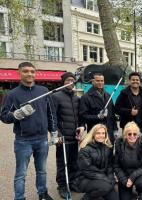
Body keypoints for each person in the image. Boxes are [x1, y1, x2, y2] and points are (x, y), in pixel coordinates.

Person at [0, 62, 57, 200]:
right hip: (23, 140)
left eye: (32, 71)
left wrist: (54, 132)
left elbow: (51, 112)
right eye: (26, 71)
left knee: (42, 171)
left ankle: (42, 194)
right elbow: (4, 116)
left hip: (42, 139)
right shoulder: (12, 94)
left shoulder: (43, 91)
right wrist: (16, 114)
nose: (30, 74)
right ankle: (19, 197)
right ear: (19, 73)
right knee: (21, 173)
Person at [52, 72, 85, 198]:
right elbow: (52, 118)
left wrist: (81, 128)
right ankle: (62, 185)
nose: (71, 82)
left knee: (73, 162)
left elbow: (80, 117)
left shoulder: (77, 98)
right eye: (68, 80)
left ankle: (72, 182)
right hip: (62, 138)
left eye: (72, 80)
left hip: (74, 137)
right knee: (62, 163)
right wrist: (57, 134)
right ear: (63, 82)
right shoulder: (56, 97)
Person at [77, 124, 119, 200]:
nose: (101, 135)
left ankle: (99, 192)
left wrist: (111, 178)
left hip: (102, 178)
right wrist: (105, 179)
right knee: (106, 187)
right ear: (93, 134)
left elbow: (109, 166)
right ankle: (86, 198)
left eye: (103, 133)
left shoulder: (107, 147)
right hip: (85, 179)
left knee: (115, 198)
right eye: (98, 133)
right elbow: (88, 170)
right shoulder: (85, 149)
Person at [114, 121, 142, 200]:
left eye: (135, 134)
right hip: (125, 174)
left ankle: (139, 191)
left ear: (138, 135)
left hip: (139, 173)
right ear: (125, 135)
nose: (132, 136)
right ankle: (128, 188)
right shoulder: (119, 145)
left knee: (140, 184)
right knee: (124, 198)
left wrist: (132, 177)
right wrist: (124, 180)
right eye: (129, 134)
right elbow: (116, 165)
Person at [79, 73, 118, 144]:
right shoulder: (86, 97)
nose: (100, 83)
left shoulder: (108, 96)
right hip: (95, 134)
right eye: (98, 81)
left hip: (109, 134)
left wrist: (115, 129)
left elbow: (112, 115)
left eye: (102, 81)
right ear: (92, 82)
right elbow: (83, 116)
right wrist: (97, 117)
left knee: (109, 154)